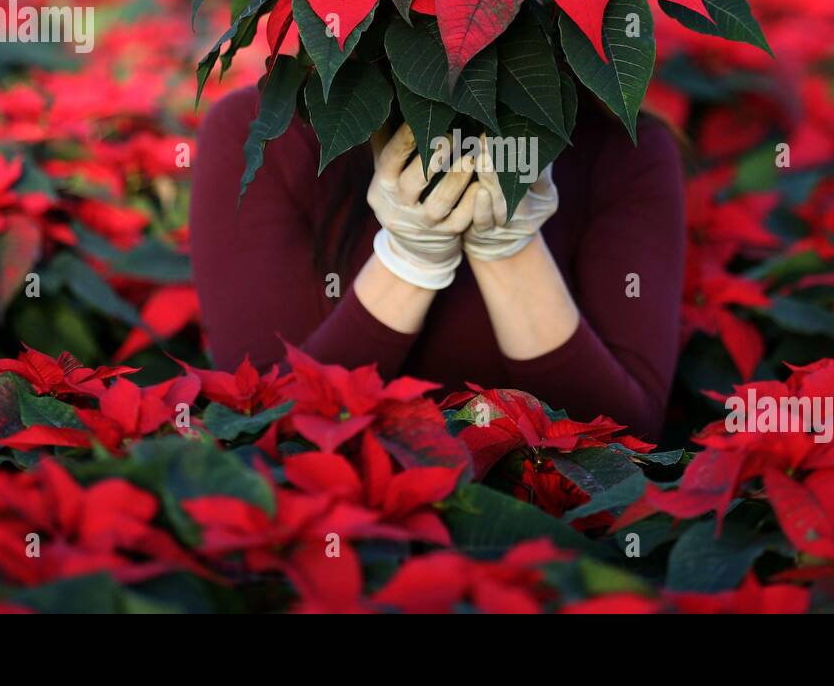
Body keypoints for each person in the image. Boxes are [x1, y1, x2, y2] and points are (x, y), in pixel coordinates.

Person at [189, 83, 685, 439]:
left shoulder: (624, 148)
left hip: (548, 557)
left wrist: (509, 247)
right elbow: (262, 428)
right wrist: (407, 262)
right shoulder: (261, 134)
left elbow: (628, 441)